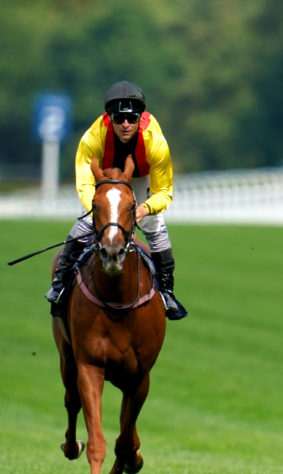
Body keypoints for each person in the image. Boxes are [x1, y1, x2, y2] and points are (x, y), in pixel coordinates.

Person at [45, 80, 187, 320]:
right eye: (119, 119)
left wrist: (145, 209)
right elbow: (84, 183)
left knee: (154, 224)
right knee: (89, 220)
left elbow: (165, 191)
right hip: (105, 177)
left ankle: (167, 293)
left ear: (140, 118)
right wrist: (101, 210)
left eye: (131, 119)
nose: (125, 125)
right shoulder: (93, 137)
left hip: (140, 177)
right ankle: (59, 285)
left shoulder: (155, 142)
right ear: (108, 117)